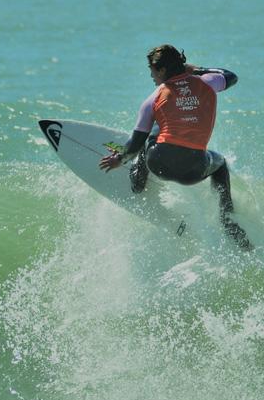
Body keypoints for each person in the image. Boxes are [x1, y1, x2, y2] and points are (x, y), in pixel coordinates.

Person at [99, 44, 252, 251]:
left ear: (161, 70)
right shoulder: (208, 83)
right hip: (194, 171)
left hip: (159, 162)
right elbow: (230, 76)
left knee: (155, 127)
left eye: (152, 71)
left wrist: (119, 159)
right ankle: (227, 220)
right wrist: (195, 70)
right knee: (220, 164)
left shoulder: (154, 97)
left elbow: (135, 144)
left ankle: (138, 180)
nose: (152, 76)